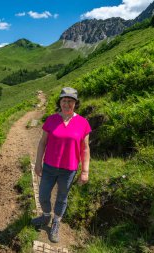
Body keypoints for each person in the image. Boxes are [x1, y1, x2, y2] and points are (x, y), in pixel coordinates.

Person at [31, 87, 91, 243]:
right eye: (64, 100)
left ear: (75, 103)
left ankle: (56, 222)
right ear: (60, 102)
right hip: (50, 166)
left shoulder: (83, 123)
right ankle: (45, 216)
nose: (67, 104)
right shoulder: (51, 120)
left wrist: (85, 171)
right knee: (43, 195)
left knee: (62, 198)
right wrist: (38, 163)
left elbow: (85, 149)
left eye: (70, 101)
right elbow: (43, 143)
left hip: (69, 169)